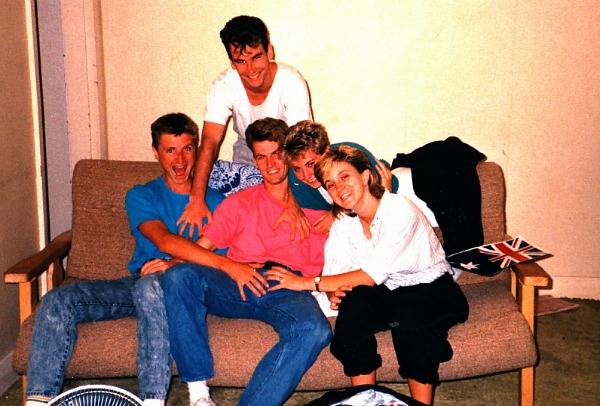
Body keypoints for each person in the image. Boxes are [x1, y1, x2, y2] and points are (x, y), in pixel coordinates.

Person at [24, 113, 226, 406]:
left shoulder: (217, 201)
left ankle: (152, 401)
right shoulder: (142, 195)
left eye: (187, 148)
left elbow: (223, 260)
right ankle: (38, 402)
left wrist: (175, 264)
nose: (180, 159)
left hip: (188, 288)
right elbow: (163, 240)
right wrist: (168, 262)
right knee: (58, 299)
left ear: (196, 150)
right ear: (156, 152)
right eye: (170, 150)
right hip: (140, 282)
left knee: (150, 285)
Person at [265, 145, 469, 405]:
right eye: (331, 184)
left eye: (345, 177)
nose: (339, 188)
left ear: (364, 176)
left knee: (409, 315)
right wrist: (334, 290)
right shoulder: (343, 223)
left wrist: (305, 283)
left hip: (433, 288)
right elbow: (337, 272)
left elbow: (369, 276)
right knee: (354, 305)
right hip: (390, 292)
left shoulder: (398, 210)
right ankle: (363, 399)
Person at [162, 118, 332, 406]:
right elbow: (203, 247)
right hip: (237, 281)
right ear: (254, 161)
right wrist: (169, 264)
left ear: (289, 155)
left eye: (276, 154)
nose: (271, 164)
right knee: (180, 276)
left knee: (314, 330)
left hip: (289, 287)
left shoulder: (321, 204)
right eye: (261, 157)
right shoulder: (239, 202)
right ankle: (199, 395)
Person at [181, 15, 313, 230]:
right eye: (241, 61)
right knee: (243, 211)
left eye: (256, 57)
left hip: (286, 152)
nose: (250, 70)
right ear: (231, 62)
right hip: (248, 151)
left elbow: (301, 147)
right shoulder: (224, 86)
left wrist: (292, 201)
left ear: (269, 51)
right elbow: (209, 142)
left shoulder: (291, 82)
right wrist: (196, 199)